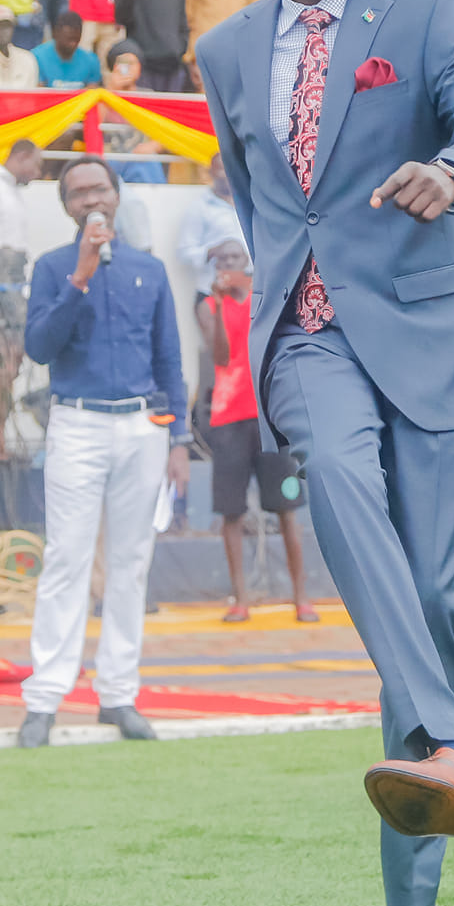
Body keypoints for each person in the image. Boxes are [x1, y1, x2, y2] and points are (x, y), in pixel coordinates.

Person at [194, 0, 454, 906]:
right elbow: (261, 204)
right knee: (333, 473)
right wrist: (283, 300)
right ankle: (453, 744)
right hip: (307, 335)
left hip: (430, 336)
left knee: (428, 603)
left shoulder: (429, 11)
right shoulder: (224, 49)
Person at [19, 158, 191, 749]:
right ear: (67, 206)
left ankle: (118, 694)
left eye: (99, 188)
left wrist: (179, 439)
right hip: (77, 423)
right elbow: (39, 348)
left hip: (143, 427)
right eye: (78, 192)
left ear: (116, 197)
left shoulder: (150, 270)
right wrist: (81, 277)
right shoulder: (52, 268)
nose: (91, 199)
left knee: (130, 562)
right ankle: (44, 698)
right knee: (66, 559)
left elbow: (169, 359)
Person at [196, 239, 316, 625]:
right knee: (231, 512)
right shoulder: (207, 306)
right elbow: (219, 356)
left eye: (236, 257)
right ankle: (240, 599)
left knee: (287, 509)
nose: (230, 264)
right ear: (216, 266)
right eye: (223, 259)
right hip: (229, 419)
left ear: (247, 261)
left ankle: (301, 597)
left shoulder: (264, 297)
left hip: (270, 416)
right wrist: (218, 305)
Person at [176, 154, 244, 292]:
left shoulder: (249, 204)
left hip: (247, 291)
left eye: (231, 168)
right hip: (212, 291)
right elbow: (184, 253)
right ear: (210, 172)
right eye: (222, 169)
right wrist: (212, 252)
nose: (228, 174)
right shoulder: (200, 208)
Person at [32, 10, 103, 89]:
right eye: (69, 40)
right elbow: (38, 92)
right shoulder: (37, 58)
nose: (73, 44)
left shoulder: (91, 60)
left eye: (76, 40)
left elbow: (92, 92)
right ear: (56, 34)